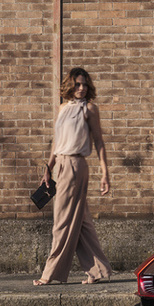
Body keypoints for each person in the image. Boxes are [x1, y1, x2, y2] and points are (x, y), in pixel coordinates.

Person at [33, 67, 114, 285]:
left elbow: (99, 143)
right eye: (77, 84)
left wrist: (105, 174)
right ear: (70, 85)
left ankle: (50, 274)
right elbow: (57, 142)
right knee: (82, 221)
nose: (81, 88)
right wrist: (48, 169)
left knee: (61, 221)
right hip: (60, 164)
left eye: (85, 84)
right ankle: (98, 270)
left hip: (76, 165)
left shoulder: (89, 109)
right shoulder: (62, 108)